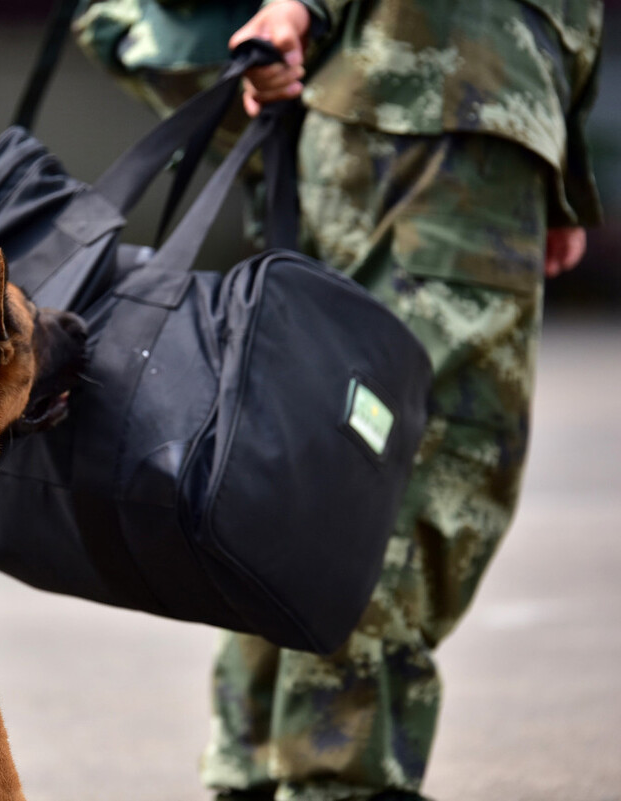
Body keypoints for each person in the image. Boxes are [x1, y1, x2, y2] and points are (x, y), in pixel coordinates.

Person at [74, 0, 603, 798]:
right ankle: (338, 776)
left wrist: (558, 172)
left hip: (388, 108)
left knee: (307, 444)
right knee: (418, 461)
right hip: (447, 107)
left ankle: (258, 765)